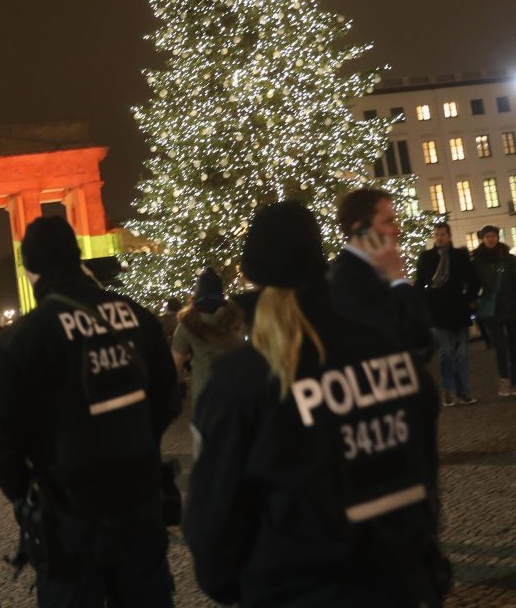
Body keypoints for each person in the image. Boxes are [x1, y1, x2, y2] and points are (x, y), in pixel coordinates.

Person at [184, 201, 449, 606]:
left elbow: (215, 517)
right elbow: (424, 473)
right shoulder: (390, 351)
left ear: (255, 276)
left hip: (301, 589)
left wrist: (239, 583)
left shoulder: (246, 380)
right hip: (403, 583)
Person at [0, 216, 180, 607]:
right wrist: (138, 445)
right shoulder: (138, 317)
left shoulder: (24, 339)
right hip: (139, 499)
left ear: (30, 269)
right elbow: (167, 399)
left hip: (66, 512)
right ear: (77, 258)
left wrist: (27, 493)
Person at [329, 188, 432, 356]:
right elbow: (416, 341)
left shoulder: (372, 270)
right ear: (359, 228)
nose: (397, 230)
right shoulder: (346, 279)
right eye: (388, 221)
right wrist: (397, 277)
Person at [415, 222, 481, 406]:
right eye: (437, 234)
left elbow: (474, 280)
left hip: (458, 309)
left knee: (462, 354)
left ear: (449, 236)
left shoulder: (459, 256)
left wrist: (466, 298)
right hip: (438, 311)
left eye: (443, 234)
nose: (440, 237)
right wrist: (424, 301)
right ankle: (449, 391)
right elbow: (419, 282)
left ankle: (464, 392)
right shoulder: (426, 257)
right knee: (446, 353)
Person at [171, 267, 245, 413]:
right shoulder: (237, 318)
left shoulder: (187, 324)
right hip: (236, 391)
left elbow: (175, 364)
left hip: (204, 394)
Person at [471, 224, 516, 396]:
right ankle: (504, 381)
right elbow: (474, 284)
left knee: (514, 346)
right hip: (492, 309)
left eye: (493, 236)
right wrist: (471, 299)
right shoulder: (477, 261)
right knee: (501, 346)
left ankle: (515, 381)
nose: (491, 239)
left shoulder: (509, 258)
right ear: (482, 239)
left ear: (498, 237)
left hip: (512, 306)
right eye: (487, 236)